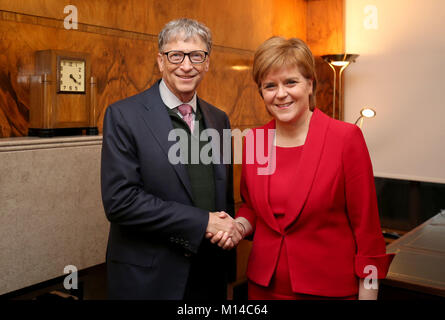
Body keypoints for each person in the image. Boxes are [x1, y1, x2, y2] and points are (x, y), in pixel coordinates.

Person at [209, 36, 395, 300]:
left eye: (291, 82)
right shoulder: (254, 140)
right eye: (270, 85)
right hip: (263, 288)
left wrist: (368, 295)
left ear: (310, 84)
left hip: (329, 290)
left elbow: (368, 232)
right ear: (261, 92)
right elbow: (253, 207)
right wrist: (239, 226)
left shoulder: (345, 138)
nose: (281, 93)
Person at [100, 18, 241, 300]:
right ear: (161, 61)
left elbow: (222, 196)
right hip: (150, 279)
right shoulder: (124, 116)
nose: (186, 66)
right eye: (175, 55)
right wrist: (203, 222)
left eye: (196, 56)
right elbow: (120, 201)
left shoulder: (218, 118)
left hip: (208, 274)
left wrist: (228, 249)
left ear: (207, 63)